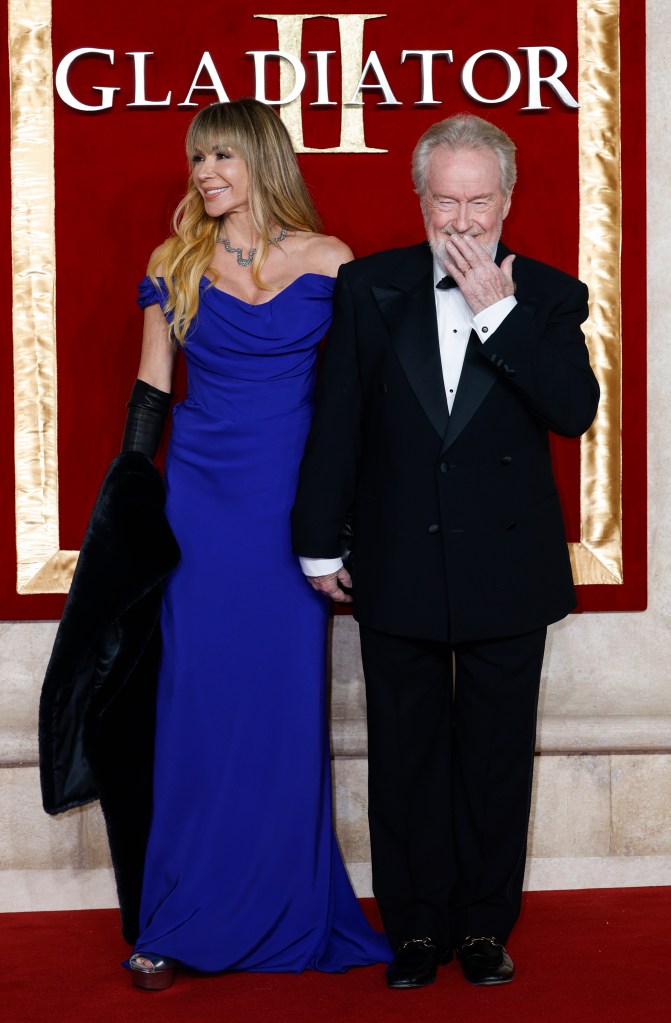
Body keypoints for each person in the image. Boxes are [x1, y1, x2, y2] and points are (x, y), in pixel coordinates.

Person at [291, 113, 600, 990]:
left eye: (478, 200)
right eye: (444, 199)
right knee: (404, 752)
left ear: (507, 199)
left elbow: (571, 411)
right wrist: (318, 542)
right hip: (397, 557)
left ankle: (482, 927)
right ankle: (417, 928)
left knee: (497, 756)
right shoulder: (369, 286)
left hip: (508, 566)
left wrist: (496, 313)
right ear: (419, 196)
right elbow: (337, 421)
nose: (460, 220)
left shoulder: (548, 295)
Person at [120, 99, 391, 989]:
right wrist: (128, 503)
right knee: (195, 706)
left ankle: (282, 903)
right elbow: (152, 390)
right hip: (201, 508)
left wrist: (350, 522)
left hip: (290, 519)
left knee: (281, 710)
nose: (203, 173)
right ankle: (175, 914)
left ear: (263, 161)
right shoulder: (175, 261)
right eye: (197, 159)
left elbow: (356, 406)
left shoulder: (329, 259)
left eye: (222, 156)